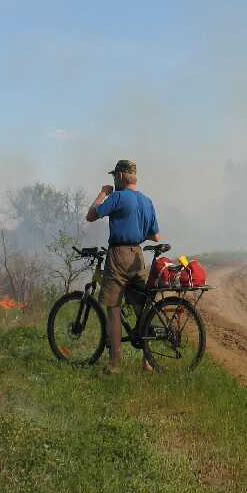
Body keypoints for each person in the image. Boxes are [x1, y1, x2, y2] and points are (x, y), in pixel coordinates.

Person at [86, 159, 162, 374]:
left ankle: (114, 364)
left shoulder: (117, 197)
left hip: (118, 255)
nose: (113, 180)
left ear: (119, 176)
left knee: (114, 308)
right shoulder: (147, 201)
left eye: (114, 177)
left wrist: (102, 193)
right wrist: (137, 232)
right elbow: (156, 236)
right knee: (141, 308)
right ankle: (147, 361)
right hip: (138, 256)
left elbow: (91, 216)